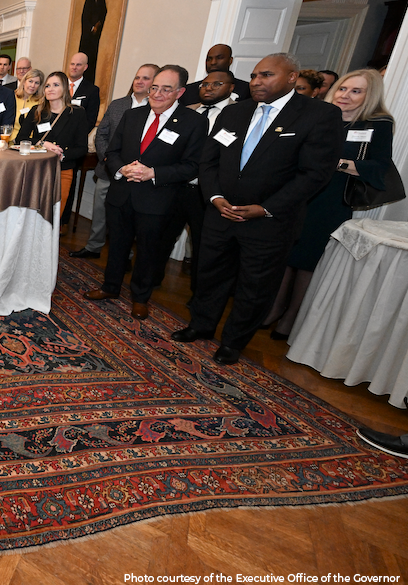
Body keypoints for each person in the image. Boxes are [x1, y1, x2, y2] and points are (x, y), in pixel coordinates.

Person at [171, 53, 341, 365]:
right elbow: (209, 161)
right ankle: (201, 325)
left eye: (265, 75)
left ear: (291, 77)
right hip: (220, 213)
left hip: (268, 222)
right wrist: (214, 197)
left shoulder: (319, 115)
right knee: (209, 274)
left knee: (254, 285)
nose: (256, 82)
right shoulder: (235, 113)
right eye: (253, 76)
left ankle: (234, 341)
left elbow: (315, 174)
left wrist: (265, 208)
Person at [264, 69, 395, 339]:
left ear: (370, 96)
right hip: (301, 192)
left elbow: (380, 167)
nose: (346, 95)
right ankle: (273, 308)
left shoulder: (377, 124)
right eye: (343, 89)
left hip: (332, 199)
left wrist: (338, 164)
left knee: (310, 259)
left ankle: (291, 317)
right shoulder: (320, 115)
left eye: (356, 91)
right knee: (288, 252)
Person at [85, 65, 207, 319]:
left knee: (148, 251)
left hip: (158, 199)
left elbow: (192, 165)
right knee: (116, 244)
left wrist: (154, 173)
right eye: (154, 88)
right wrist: (122, 170)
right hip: (122, 193)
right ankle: (110, 287)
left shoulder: (193, 122)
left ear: (180, 92)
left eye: (166, 89)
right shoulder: (133, 116)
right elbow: (113, 151)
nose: (158, 94)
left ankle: (140, 297)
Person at [150, 69, 237, 292]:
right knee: (162, 237)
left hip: (208, 193)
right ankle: (151, 281)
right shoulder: (188, 112)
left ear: (231, 88)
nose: (208, 88)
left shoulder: (237, 115)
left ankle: (198, 295)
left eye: (217, 84)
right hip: (178, 187)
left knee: (202, 245)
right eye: (205, 84)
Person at [70, 63, 158, 260]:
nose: (139, 81)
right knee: (100, 211)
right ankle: (93, 246)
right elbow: (102, 134)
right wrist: (108, 159)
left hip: (137, 175)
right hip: (109, 169)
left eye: (145, 78)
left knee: (128, 218)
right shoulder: (118, 104)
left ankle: (124, 255)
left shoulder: (155, 109)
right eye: (137, 77)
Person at [14, 71, 89, 209]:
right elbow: (20, 139)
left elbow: (82, 148)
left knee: (55, 214)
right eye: (47, 86)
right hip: (37, 168)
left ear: (65, 88)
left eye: (56, 85)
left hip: (63, 170)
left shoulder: (77, 113)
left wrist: (62, 155)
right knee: (32, 210)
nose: (50, 89)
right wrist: (43, 143)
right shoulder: (37, 110)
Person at [179, 44, 251, 106]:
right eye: (209, 59)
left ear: (230, 60)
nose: (213, 62)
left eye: (219, 58)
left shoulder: (246, 89)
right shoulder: (188, 90)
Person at [79, 0, 108, 86]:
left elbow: (104, 12)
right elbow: (85, 18)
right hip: (87, 36)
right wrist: (92, 27)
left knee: (92, 61)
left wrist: (98, 25)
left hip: (95, 38)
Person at [67, 52, 101, 129]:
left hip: (75, 137)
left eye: (78, 65)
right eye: (72, 64)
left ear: (85, 67)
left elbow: (90, 120)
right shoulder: (59, 85)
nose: (74, 67)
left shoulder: (92, 90)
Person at [11, 68, 45, 140]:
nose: (32, 85)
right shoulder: (12, 98)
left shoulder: (41, 102)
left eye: (37, 83)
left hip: (29, 143)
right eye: (30, 81)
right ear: (24, 82)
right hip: (9, 141)